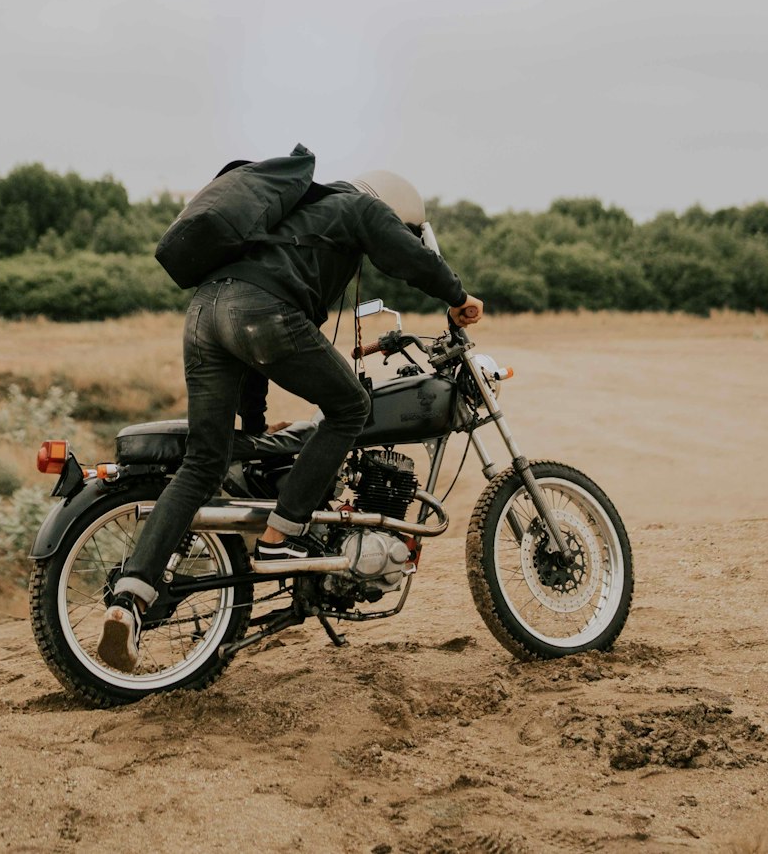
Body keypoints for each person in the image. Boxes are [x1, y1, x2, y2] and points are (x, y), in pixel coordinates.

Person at [97, 168, 483, 671]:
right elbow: (408, 258)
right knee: (351, 409)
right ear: (394, 210)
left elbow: (247, 328)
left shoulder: (292, 218)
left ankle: (129, 599)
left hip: (204, 314)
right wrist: (457, 296)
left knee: (203, 464)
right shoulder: (360, 207)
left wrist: (254, 425)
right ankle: (282, 538)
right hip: (258, 311)